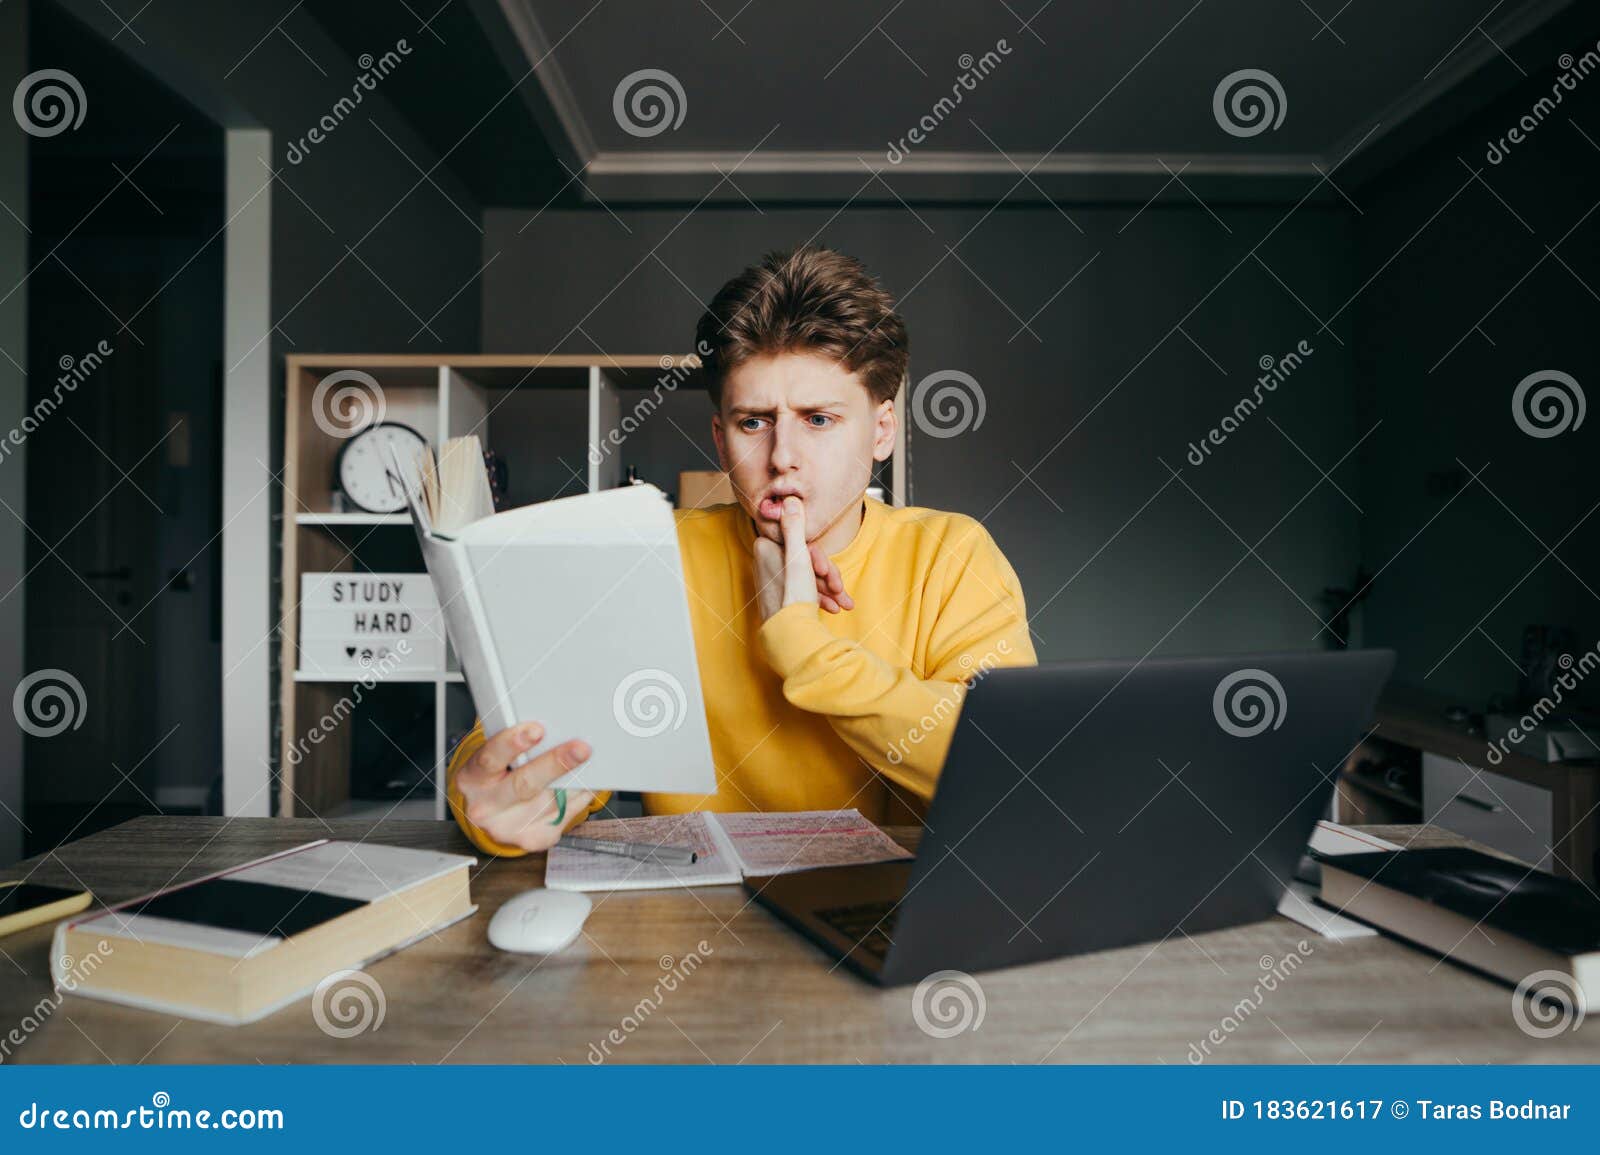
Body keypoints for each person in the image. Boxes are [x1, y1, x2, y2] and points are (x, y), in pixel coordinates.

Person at [447, 243, 1037, 855]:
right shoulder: (655, 556)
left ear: (882, 430)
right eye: (753, 422)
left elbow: (1005, 768)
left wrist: (804, 645)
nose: (782, 457)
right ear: (721, 441)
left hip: (886, 922)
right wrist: (497, 804)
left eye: (818, 420)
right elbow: (534, 745)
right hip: (688, 919)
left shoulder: (950, 555)